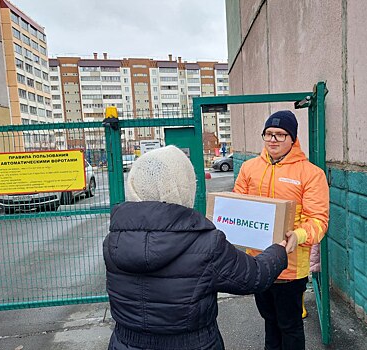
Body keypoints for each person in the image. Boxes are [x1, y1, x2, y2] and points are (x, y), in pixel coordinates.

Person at [103, 145, 294, 350]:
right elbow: (254, 276)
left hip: (125, 343)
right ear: (183, 186)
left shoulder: (113, 241)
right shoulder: (207, 244)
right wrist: (279, 250)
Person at [233, 110, 330, 350]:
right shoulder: (249, 168)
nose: (273, 139)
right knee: (269, 321)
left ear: (293, 139)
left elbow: (319, 220)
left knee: (290, 325)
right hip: (257, 262)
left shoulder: (311, 174)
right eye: (269, 134)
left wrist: (298, 235)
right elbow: (237, 205)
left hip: (291, 266)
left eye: (280, 134)